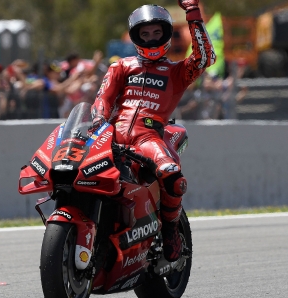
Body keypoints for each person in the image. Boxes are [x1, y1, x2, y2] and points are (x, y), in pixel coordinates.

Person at [91, 1, 215, 262]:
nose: (150, 38)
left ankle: (170, 230)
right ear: (136, 37)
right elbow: (102, 100)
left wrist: (193, 13)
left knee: (172, 176)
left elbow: (205, 58)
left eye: (156, 33)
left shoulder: (177, 71)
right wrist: (97, 123)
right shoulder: (120, 67)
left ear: (167, 34)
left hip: (148, 138)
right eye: (145, 34)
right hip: (110, 136)